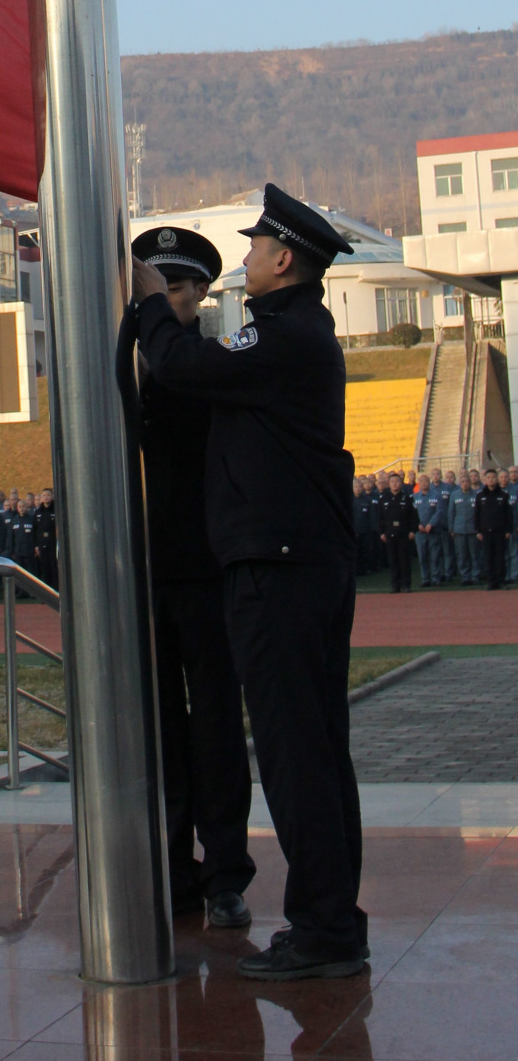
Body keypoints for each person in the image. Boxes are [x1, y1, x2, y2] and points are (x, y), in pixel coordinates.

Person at [132, 183, 365, 981]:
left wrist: (151, 304)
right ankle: (334, 922)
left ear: (284, 258)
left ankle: (325, 930)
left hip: (280, 566)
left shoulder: (284, 336)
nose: (245, 262)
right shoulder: (296, 335)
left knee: (299, 756)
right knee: (318, 751)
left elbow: (181, 360)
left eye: (255, 248)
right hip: (301, 562)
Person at [124, 225, 253, 929]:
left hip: (201, 571)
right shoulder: (120, 362)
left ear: (202, 293)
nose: (163, 298)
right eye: (156, 286)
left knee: (215, 730)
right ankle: (175, 870)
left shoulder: (208, 361)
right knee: (160, 732)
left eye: (176, 287)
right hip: (140, 575)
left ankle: (226, 872)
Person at [474, 468, 513, 590]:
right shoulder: (480, 496)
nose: (491, 480)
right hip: (485, 533)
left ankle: (501, 581)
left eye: (493, 477)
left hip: (500, 532)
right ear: (485, 480)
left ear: (497, 479)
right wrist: (478, 531)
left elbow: (509, 515)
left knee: (500, 557)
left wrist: (508, 530)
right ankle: (491, 581)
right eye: (488, 478)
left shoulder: (503, 495)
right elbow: (476, 515)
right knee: (488, 557)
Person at [379, 476, 417, 593]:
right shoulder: (384, 498)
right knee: (393, 560)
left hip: (404, 532)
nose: (395, 484)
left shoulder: (407, 498)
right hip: (389, 533)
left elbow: (413, 516)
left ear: (401, 483)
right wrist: (381, 532)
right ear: (388, 484)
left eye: (397, 482)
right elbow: (380, 517)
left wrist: (412, 530)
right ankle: (395, 585)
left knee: (404, 560)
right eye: (392, 482)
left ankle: (406, 585)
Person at [448, 474, 479, 584]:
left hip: (473, 529)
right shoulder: (454, 495)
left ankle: (475, 576)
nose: (465, 483)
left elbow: (479, 513)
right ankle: (465, 576)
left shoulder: (476, 495)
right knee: (462, 554)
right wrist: (451, 529)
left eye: (467, 481)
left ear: (470, 482)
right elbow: (451, 513)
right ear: (459, 483)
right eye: (463, 481)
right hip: (459, 529)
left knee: (474, 554)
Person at [412, 475, 443, 587]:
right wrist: (418, 525)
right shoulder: (414, 497)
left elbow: (439, 512)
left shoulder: (437, 496)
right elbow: (412, 514)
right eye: (422, 481)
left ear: (429, 482)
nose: (424, 483)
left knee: (435, 556)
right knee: (423, 556)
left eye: (426, 481)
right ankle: (425, 579)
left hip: (433, 531)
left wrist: (431, 524)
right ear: (418, 483)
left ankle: (436, 578)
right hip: (420, 532)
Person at [32, 488, 57, 590]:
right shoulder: (38, 512)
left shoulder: (56, 510)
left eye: (48, 495)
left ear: (52, 496)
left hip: (54, 544)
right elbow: (35, 530)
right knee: (44, 568)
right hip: (42, 544)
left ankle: (56, 591)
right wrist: (36, 546)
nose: (46, 497)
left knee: (54, 568)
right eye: (44, 495)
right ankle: (46, 592)